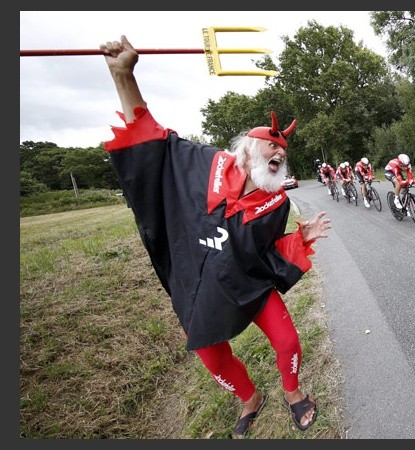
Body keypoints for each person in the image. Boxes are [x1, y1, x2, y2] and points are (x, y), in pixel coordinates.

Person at [100, 35, 328, 437]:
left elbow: (269, 252)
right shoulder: (205, 165)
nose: (279, 156)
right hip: (198, 288)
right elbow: (152, 140)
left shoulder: (278, 204)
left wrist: (301, 239)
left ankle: (293, 394)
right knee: (212, 359)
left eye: (283, 155)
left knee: (288, 342)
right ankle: (251, 398)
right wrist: (124, 77)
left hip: (249, 286)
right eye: (270, 151)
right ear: (244, 153)